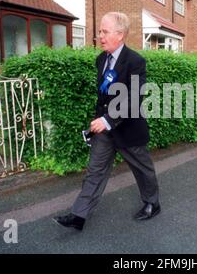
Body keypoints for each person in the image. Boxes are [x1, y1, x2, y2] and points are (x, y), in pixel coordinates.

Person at [54, 12, 160, 231]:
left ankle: (152, 203)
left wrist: (109, 119)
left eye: (104, 31)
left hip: (128, 128)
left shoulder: (135, 61)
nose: (99, 36)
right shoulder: (101, 59)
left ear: (119, 35)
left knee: (142, 169)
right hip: (104, 130)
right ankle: (79, 215)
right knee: (95, 170)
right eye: (99, 31)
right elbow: (104, 96)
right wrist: (99, 121)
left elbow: (133, 97)